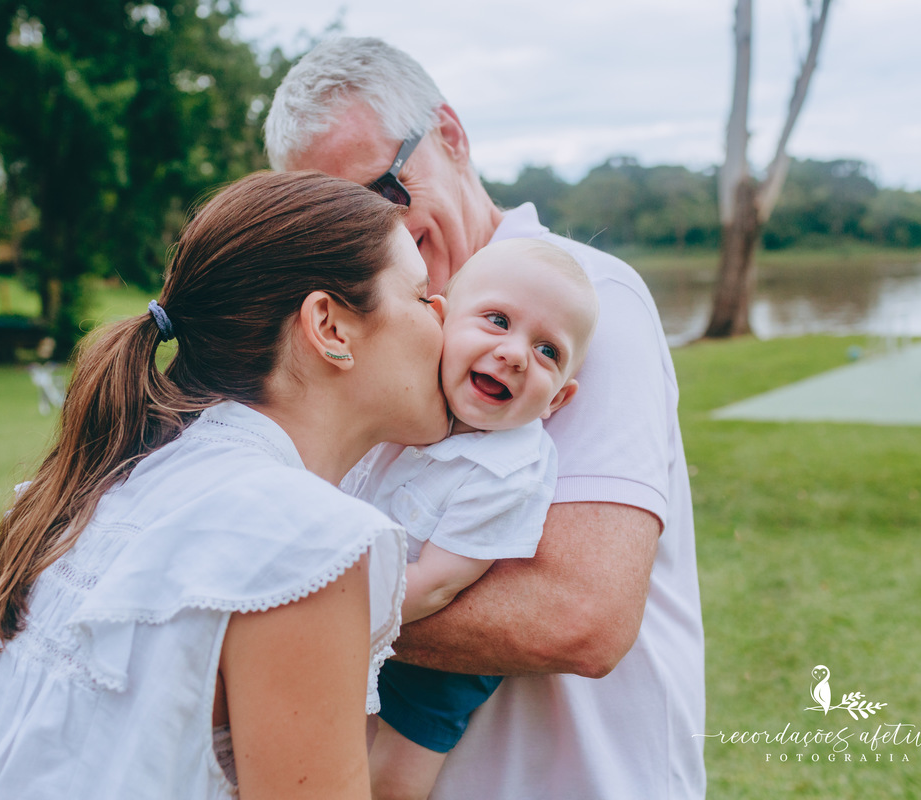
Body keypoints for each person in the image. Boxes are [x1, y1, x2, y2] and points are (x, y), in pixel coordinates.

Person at [0, 171, 450, 800]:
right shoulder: (309, 543)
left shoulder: (100, 475)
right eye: (423, 295)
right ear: (330, 326)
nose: (446, 318)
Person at [265, 37, 707, 799]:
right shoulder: (365, 325)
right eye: (334, 217)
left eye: (384, 190)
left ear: (451, 135)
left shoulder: (583, 303)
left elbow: (580, 616)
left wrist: (267, 612)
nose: (375, 234)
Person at [345, 238, 599, 800]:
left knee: (393, 773)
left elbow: (436, 585)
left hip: (438, 647)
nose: (514, 354)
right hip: (371, 587)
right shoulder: (405, 393)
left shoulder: (511, 470)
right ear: (439, 321)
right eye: (497, 320)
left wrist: (331, 617)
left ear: (558, 400)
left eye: (548, 352)